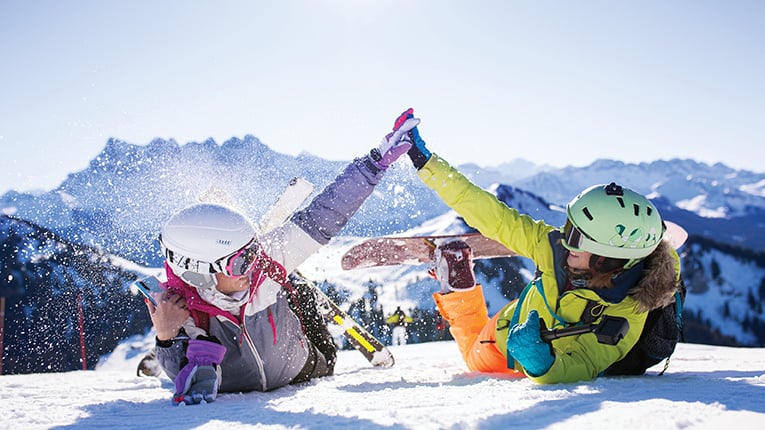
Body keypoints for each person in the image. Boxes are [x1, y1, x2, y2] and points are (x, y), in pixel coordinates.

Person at [146, 110, 419, 405]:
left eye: (252, 251)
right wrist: (165, 336)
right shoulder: (179, 312)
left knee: (283, 277)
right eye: (240, 261)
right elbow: (179, 376)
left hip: (306, 367)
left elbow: (324, 214)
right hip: (247, 379)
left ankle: (294, 285)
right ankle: (295, 284)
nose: (252, 265)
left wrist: (374, 163)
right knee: (289, 281)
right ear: (201, 274)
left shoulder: (264, 263)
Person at [399, 108, 683, 384]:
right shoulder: (555, 248)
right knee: (474, 348)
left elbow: (584, 362)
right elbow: (493, 216)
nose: (565, 240)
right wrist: (427, 164)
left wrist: (543, 364)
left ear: (608, 260)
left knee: (473, 359)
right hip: (509, 327)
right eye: (569, 227)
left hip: (513, 349)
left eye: (576, 238)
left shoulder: (628, 309)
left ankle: (458, 290)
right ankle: (459, 288)